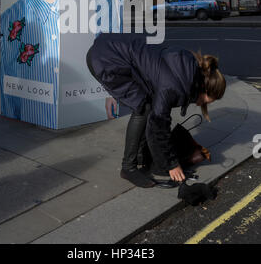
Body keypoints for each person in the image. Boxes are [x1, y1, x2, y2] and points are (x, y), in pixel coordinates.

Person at [86, 33, 226, 187]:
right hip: (106, 59)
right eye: (206, 101)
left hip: (111, 50)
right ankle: (128, 168)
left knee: (148, 105)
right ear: (204, 88)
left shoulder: (189, 69)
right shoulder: (174, 86)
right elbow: (158, 126)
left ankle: (142, 158)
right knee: (144, 109)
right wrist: (172, 164)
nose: (201, 105)